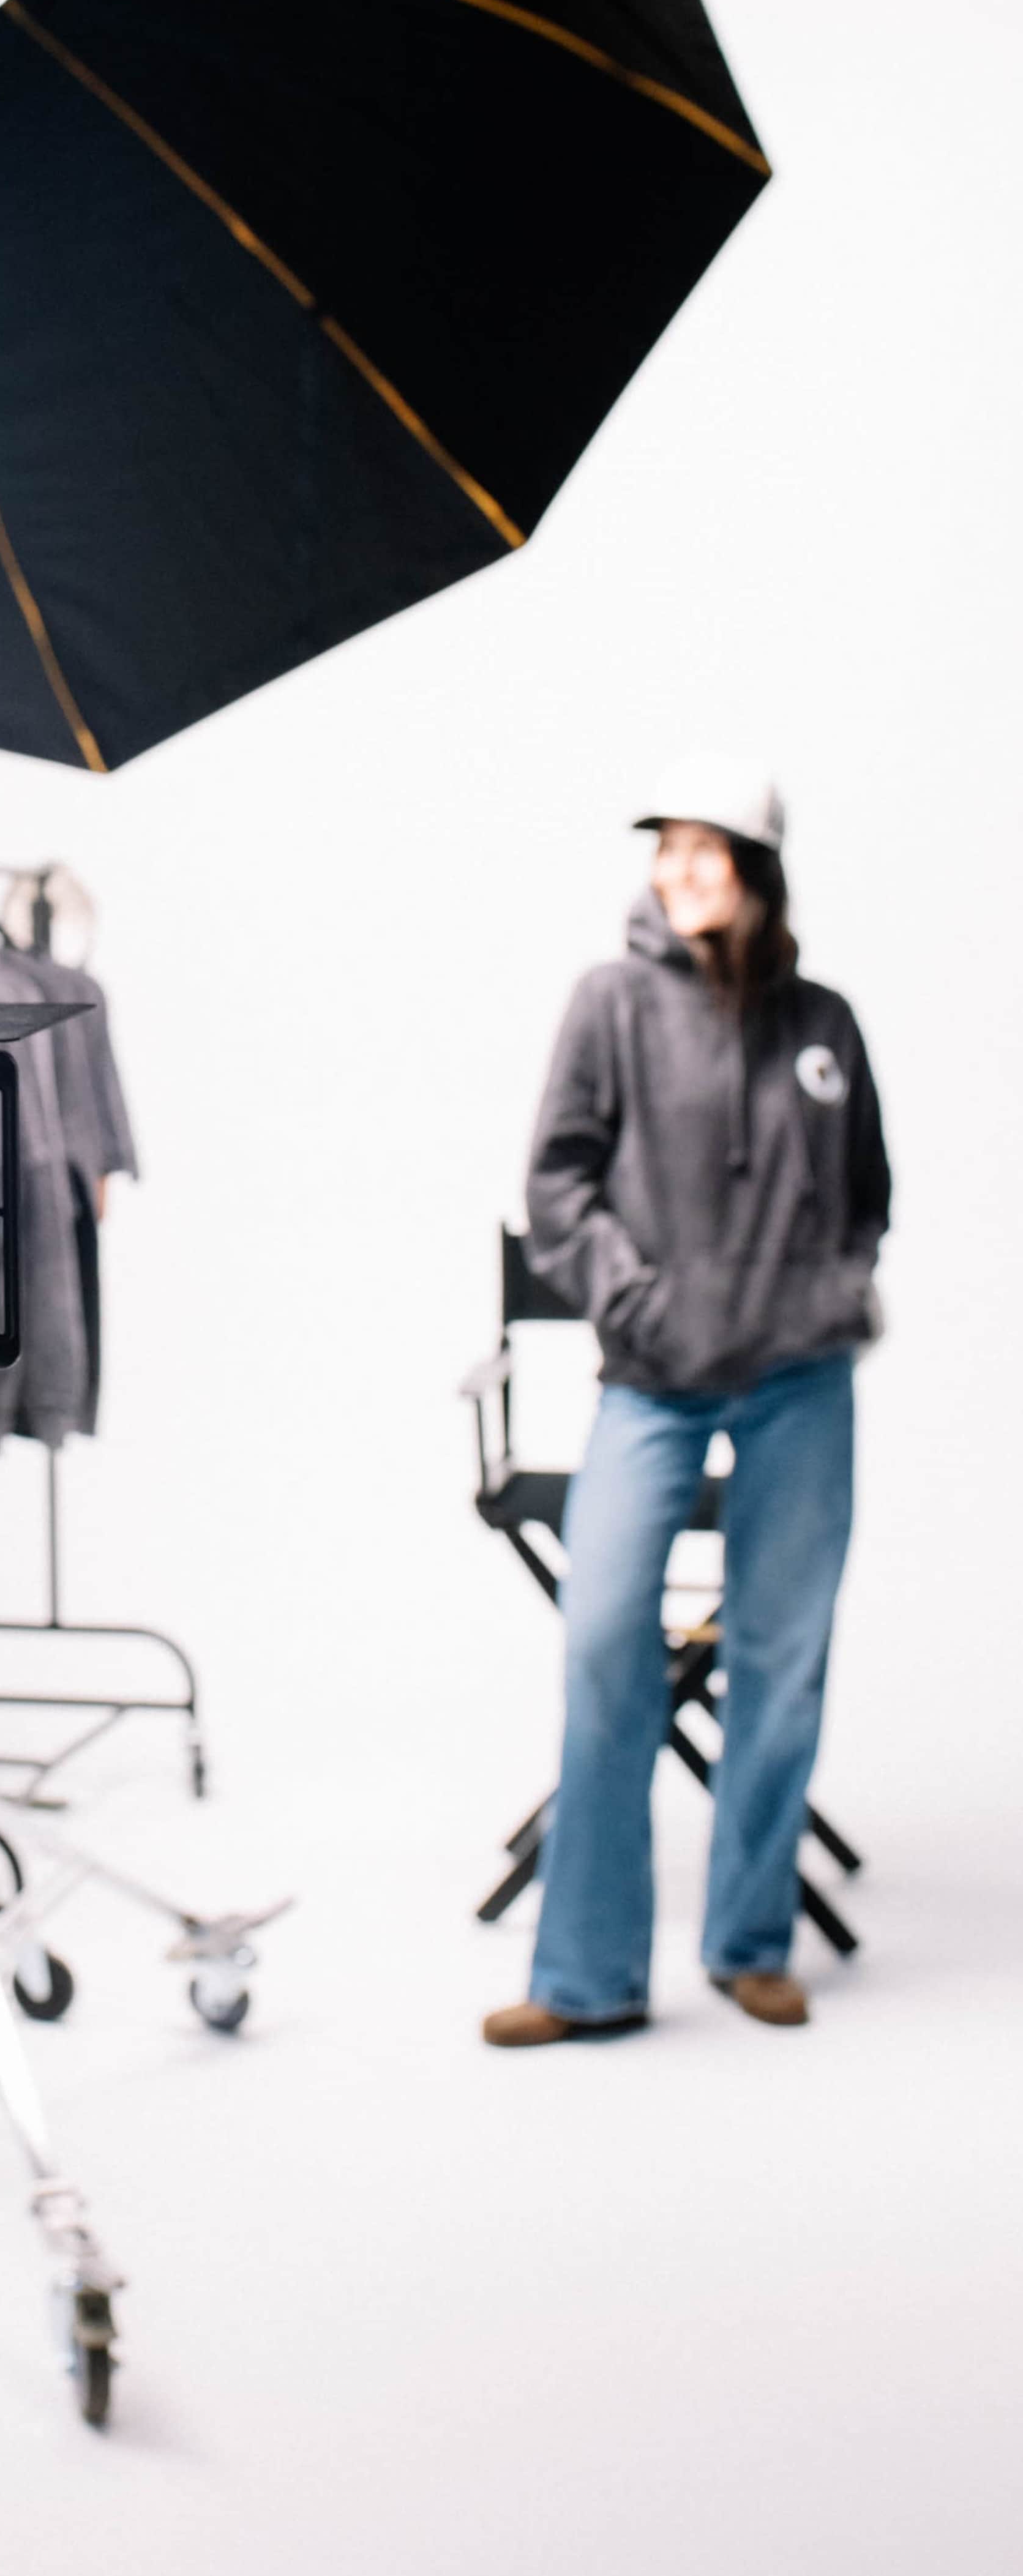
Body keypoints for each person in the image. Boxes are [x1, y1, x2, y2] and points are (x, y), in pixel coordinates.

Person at [484, 770, 890, 2048]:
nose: (680, 865)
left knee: (782, 1654)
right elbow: (557, 1185)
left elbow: (869, 1192)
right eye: (670, 844)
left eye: (709, 845)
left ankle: (751, 1941)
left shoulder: (822, 1020)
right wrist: (635, 1301)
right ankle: (586, 1976)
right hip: (653, 1380)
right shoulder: (610, 1003)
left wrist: (831, 1290)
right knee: (609, 1643)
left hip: (800, 1380)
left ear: (760, 862)